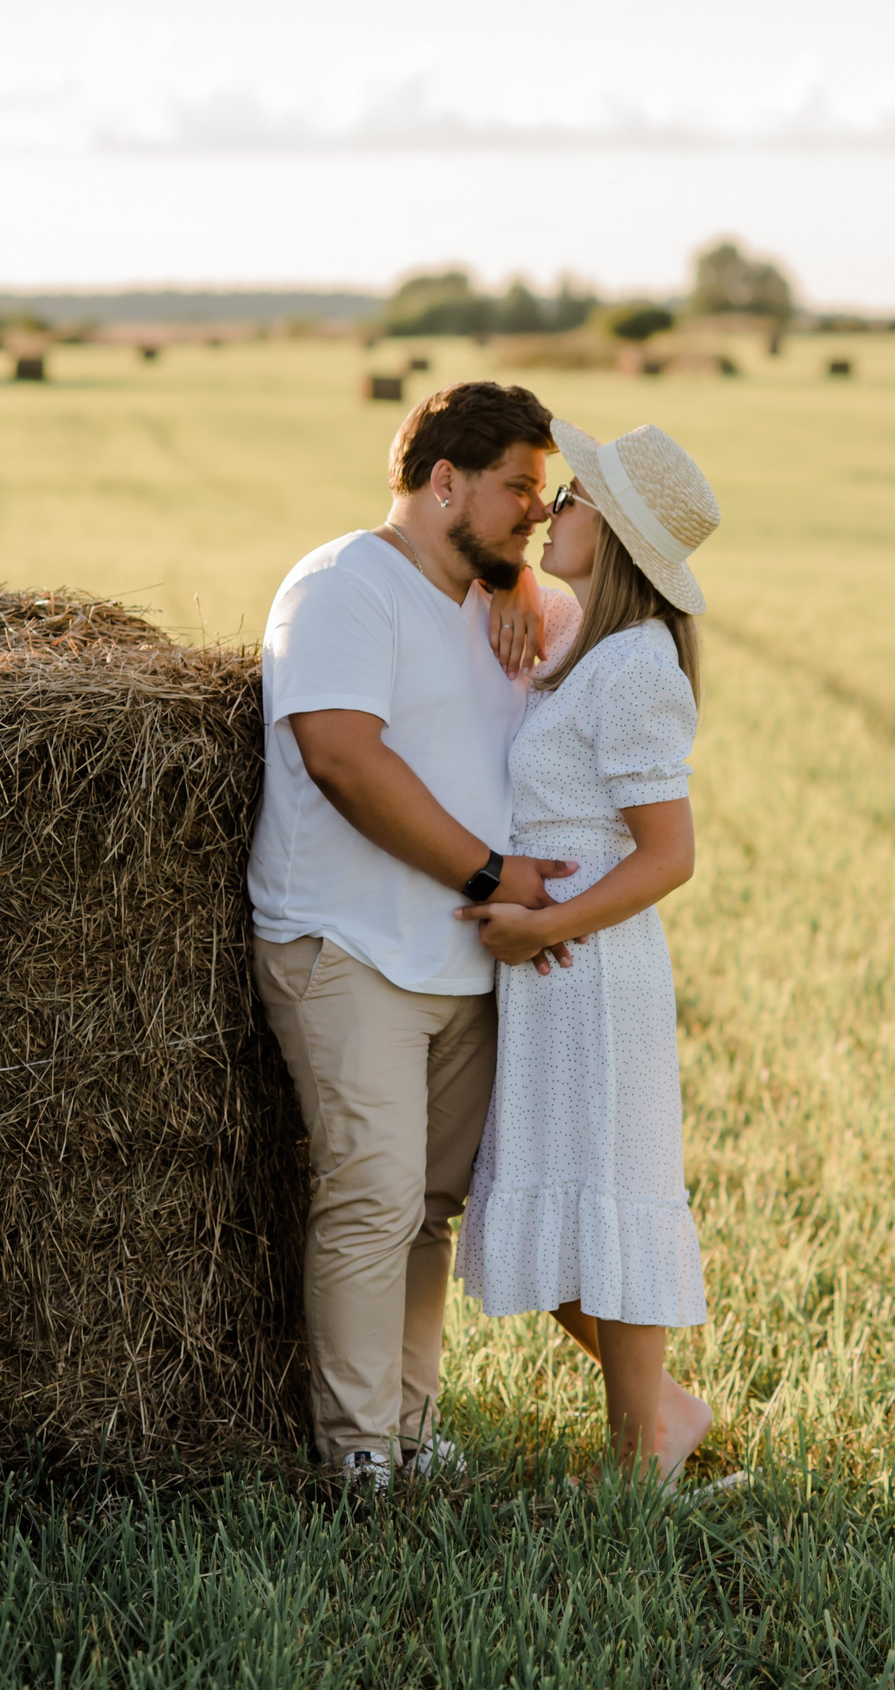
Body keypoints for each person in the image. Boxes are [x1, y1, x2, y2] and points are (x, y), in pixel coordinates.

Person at [247, 381, 579, 1489]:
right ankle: (355, 1457)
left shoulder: (494, 597)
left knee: (429, 1209)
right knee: (373, 1194)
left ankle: (408, 1431)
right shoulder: (342, 584)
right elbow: (344, 758)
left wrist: (522, 570)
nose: (538, 509)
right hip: (348, 947)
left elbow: (596, 620)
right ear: (444, 481)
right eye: (519, 490)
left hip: (464, 959)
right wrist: (497, 875)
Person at [453, 418, 721, 1483]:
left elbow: (669, 855)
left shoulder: (639, 667)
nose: (549, 509)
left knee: (602, 1202)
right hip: (549, 971)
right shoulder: (584, 648)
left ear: (612, 536)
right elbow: (475, 585)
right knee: (549, 1199)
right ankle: (665, 1415)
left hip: (591, 971)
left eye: (571, 500)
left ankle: (639, 1451)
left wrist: (544, 924)